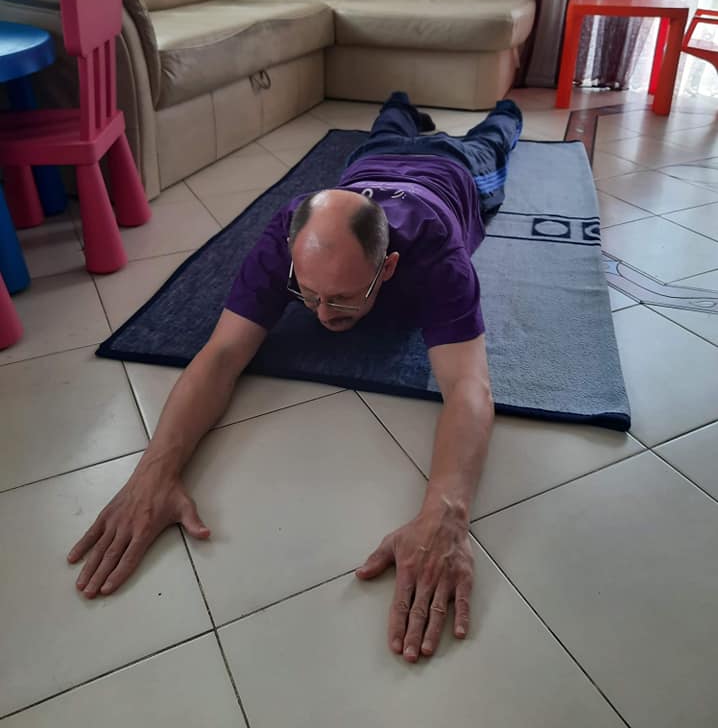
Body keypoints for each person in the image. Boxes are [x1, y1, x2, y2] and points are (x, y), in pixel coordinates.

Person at [68, 91, 523, 664]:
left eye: (344, 298)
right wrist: (153, 472)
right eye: (307, 295)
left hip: (450, 172)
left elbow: (469, 388)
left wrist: (445, 514)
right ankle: (402, 104)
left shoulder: (437, 252)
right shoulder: (284, 237)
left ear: (387, 268)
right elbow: (222, 354)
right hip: (371, 166)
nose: (322, 314)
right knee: (387, 127)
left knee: (492, 140)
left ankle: (505, 108)